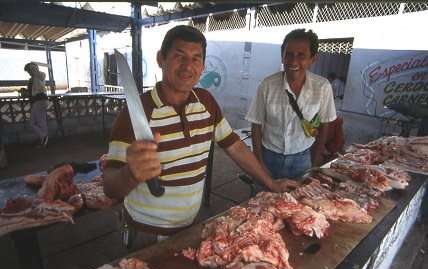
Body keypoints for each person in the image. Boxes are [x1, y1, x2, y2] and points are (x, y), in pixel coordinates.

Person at [103, 25, 298, 236]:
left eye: (196, 58)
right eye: (179, 56)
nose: (188, 66)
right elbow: (110, 187)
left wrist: (270, 183)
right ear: (161, 59)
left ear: (203, 66)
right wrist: (130, 174)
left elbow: (235, 147)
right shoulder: (134, 112)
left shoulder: (206, 102)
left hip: (191, 226)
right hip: (145, 231)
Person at [246, 29, 337, 179]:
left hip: (302, 159)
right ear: (282, 56)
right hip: (269, 157)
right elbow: (256, 125)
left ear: (312, 59)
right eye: (289, 54)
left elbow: (325, 125)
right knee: (264, 199)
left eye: (301, 55)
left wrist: (314, 163)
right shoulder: (267, 85)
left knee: (299, 200)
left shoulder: (322, 87)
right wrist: (260, 162)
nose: (294, 61)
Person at [24, 62, 49, 147]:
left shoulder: (40, 75)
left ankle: (44, 138)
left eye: (29, 70)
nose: (29, 72)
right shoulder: (33, 78)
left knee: (35, 122)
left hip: (40, 100)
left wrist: (32, 64)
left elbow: (39, 73)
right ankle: (44, 139)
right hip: (38, 101)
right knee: (40, 122)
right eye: (28, 71)